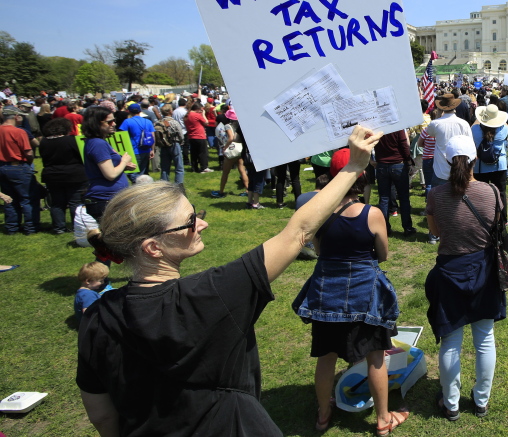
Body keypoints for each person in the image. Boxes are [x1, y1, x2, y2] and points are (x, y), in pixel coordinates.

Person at [77, 126, 384, 437]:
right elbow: (298, 233)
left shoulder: (97, 318)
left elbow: (101, 415)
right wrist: (354, 167)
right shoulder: (213, 295)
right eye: (189, 222)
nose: (203, 223)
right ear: (153, 248)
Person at [292, 147, 407, 435]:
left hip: (326, 293)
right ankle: (383, 419)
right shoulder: (373, 213)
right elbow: (382, 255)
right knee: (376, 356)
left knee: (325, 357)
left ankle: (323, 414)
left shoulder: (316, 211)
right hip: (364, 294)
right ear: (362, 175)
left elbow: (319, 251)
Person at [426, 135, 506, 421]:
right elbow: (498, 225)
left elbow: (435, 231)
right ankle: (481, 401)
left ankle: (451, 404)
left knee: (451, 341)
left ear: (446, 161)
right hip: (484, 268)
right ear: (474, 159)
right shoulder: (492, 191)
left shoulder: (435, 195)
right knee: (484, 339)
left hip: (450, 270)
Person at [81, 107, 134, 223]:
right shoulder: (97, 144)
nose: (114, 124)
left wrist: (123, 166)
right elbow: (110, 174)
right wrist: (124, 161)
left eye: (114, 120)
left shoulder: (98, 142)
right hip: (105, 200)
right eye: (109, 122)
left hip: (110, 198)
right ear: (95, 123)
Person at [39, 118, 87, 234]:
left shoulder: (44, 142)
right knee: (74, 202)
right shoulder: (72, 140)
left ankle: (59, 227)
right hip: (74, 174)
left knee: (57, 203)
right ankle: (76, 226)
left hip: (52, 175)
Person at [471, 103, 508, 227]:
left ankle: (481, 217)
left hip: (480, 166)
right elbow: (505, 124)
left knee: (480, 193)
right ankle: (502, 219)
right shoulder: (504, 129)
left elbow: (475, 126)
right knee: (501, 192)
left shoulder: (475, 129)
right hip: (499, 165)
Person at [0, 105, 36, 234]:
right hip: (18, 166)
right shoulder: (19, 132)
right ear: (16, 116)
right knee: (27, 199)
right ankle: (30, 228)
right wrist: (29, 163)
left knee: (9, 199)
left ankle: (12, 228)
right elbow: (28, 152)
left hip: (2, 167)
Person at [426, 94, 473, 188]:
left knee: (439, 200)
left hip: (441, 170)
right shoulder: (464, 124)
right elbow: (470, 145)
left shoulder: (435, 124)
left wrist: (438, 114)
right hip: (459, 168)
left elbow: (429, 132)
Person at [212, 108, 248, 198]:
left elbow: (230, 138)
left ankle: (221, 191)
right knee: (242, 171)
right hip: (240, 149)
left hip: (232, 150)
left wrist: (225, 148)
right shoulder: (241, 125)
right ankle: (248, 189)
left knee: (225, 172)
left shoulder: (228, 126)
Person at [118, 103, 155, 180]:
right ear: (140, 110)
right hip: (146, 149)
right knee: (143, 171)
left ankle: (137, 187)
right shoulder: (148, 121)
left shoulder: (127, 122)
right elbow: (153, 136)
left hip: (134, 150)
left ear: (129, 111)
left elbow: (122, 136)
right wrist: (152, 149)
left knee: (132, 172)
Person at [156, 104, 185, 185]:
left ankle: (164, 183)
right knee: (179, 167)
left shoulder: (159, 122)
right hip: (174, 144)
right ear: (170, 111)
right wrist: (181, 142)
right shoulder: (174, 122)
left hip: (164, 145)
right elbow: (181, 135)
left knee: (165, 167)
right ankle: (178, 184)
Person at [185, 102, 212, 173]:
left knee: (194, 153)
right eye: (201, 110)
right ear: (197, 109)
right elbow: (206, 122)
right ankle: (204, 167)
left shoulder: (187, 115)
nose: (201, 111)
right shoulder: (196, 115)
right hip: (200, 135)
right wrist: (203, 114)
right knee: (203, 153)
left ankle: (194, 168)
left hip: (191, 136)